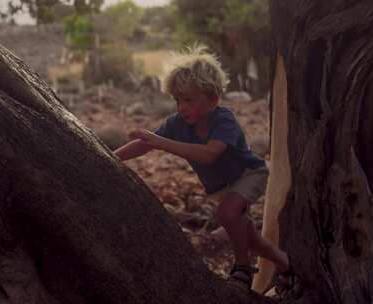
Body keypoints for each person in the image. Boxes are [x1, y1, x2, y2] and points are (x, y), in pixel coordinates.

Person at [113, 45, 293, 290]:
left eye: (188, 100)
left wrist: (161, 143)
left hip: (249, 175)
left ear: (213, 99)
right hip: (221, 188)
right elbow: (145, 145)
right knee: (250, 239)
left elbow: (209, 155)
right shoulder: (178, 124)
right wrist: (110, 156)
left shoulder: (224, 119)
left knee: (228, 213)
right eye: (177, 100)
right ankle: (286, 264)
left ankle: (242, 268)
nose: (181, 107)